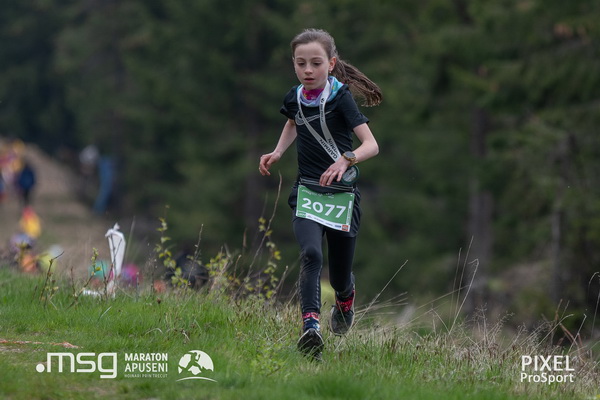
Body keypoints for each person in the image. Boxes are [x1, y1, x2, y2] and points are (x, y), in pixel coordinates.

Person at [259, 28, 382, 358]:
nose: (308, 70)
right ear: (294, 65)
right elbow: (293, 121)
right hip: (308, 191)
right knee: (311, 254)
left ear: (331, 64)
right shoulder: (294, 97)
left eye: (315, 63)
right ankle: (310, 327)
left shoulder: (341, 98)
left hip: (342, 197)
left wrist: (346, 158)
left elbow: (371, 145)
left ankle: (345, 298)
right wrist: (278, 152)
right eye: (301, 64)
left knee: (339, 277)